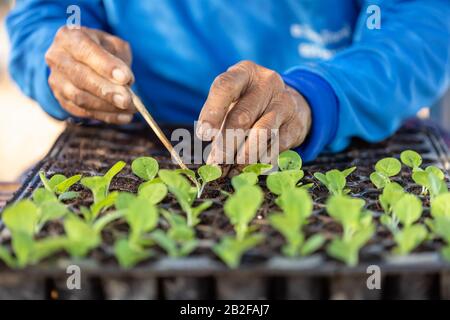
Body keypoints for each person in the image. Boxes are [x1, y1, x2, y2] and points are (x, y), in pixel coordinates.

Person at [6, 0, 450, 167]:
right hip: (134, 138)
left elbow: (422, 24)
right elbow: (43, 15)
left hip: (339, 131)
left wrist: (318, 97)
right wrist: (67, 60)